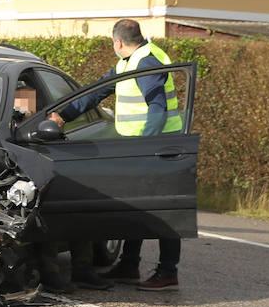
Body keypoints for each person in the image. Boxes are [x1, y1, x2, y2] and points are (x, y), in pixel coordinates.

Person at [49, 18, 183, 290]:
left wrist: (144, 150)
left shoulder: (146, 62)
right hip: (146, 146)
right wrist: (62, 115)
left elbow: (157, 108)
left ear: (117, 42)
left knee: (166, 210)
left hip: (158, 147)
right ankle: (129, 264)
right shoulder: (129, 62)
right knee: (137, 207)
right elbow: (97, 92)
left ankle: (168, 271)